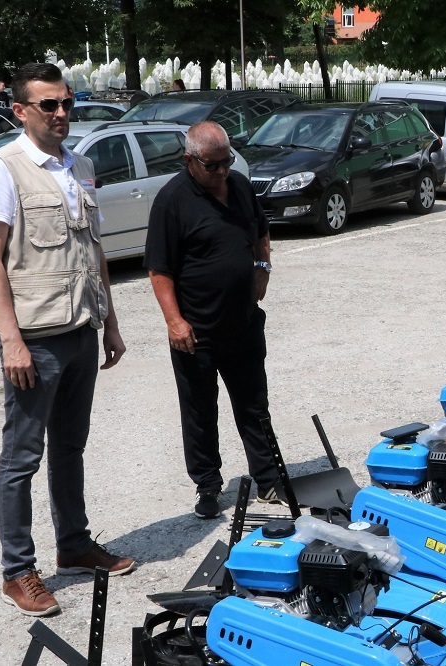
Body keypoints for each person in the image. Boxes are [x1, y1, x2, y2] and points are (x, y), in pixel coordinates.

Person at [0, 62, 136, 617]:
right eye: (49, 104)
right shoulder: (3, 168)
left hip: (81, 330)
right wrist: (11, 340)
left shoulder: (80, 165)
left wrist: (109, 322)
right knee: (21, 457)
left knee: (70, 447)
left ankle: (74, 545)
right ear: (20, 110)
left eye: (67, 102)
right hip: (35, 339)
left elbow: (94, 250)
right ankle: (18, 570)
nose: (62, 112)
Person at [144, 121, 283, 519]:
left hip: (243, 324)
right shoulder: (172, 201)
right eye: (213, 166)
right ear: (189, 160)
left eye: (227, 162)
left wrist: (262, 267)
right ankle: (207, 484)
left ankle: (268, 479)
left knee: (254, 405)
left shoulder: (239, 186)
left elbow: (261, 231)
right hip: (196, 332)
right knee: (200, 412)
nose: (222, 171)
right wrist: (174, 321)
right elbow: (159, 270)